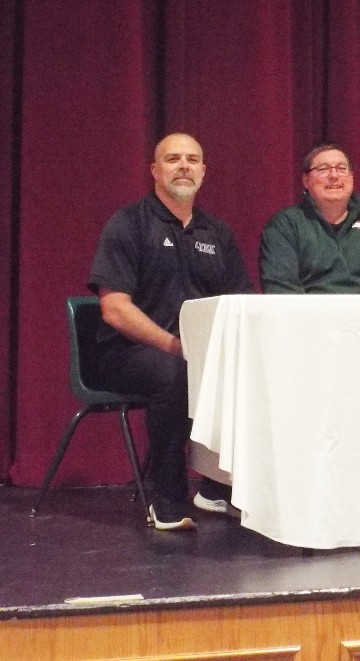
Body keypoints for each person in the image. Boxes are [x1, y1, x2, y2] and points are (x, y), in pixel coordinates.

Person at [88, 133, 254, 531]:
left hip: (196, 354)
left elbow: (241, 303)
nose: (184, 166)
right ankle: (167, 497)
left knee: (253, 368)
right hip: (125, 354)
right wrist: (175, 346)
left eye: (192, 160)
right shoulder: (128, 224)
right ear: (154, 170)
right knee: (174, 373)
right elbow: (114, 308)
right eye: (173, 159)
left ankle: (219, 486)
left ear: (204, 171)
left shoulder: (217, 233)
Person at [259, 143, 360, 293]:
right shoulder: (285, 226)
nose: (334, 176)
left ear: (352, 177)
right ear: (306, 180)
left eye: (342, 169)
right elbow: (281, 291)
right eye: (323, 169)